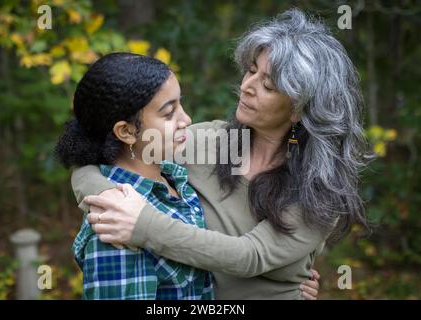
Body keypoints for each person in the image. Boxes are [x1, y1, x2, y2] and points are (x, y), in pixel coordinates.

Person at [73, 8, 367, 299]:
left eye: (268, 85)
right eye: (251, 71)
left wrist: (143, 224)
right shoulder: (213, 142)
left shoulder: (318, 188)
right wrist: (112, 201)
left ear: (300, 109)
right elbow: (98, 161)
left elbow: (249, 256)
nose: (247, 87)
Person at [55, 52, 214, 299]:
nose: (186, 120)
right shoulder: (115, 227)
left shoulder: (175, 179)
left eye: (180, 104)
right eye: (168, 113)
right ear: (127, 132)